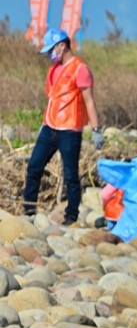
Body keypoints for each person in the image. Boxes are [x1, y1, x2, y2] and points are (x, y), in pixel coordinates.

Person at [21, 29, 102, 226]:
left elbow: (89, 101)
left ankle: (71, 216)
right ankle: (28, 209)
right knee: (34, 166)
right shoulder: (53, 69)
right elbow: (52, 99)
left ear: (62, 45)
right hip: (49, 127)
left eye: (51, 49)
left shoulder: (80, 69)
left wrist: (96, 129)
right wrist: (43, 124)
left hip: (69, 129)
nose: (50, 54)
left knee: (70, 174)